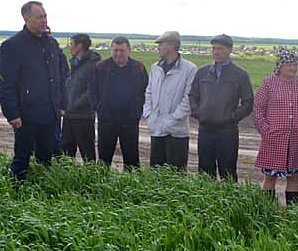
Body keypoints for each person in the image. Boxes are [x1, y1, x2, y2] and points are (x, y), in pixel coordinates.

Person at [0, 1, 67, 180]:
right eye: (39, 17)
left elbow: (59, 75)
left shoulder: (51, 43)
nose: (44, 20)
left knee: (46, 157)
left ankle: (43, 191)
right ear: (26, 18)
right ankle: (16, 190)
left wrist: (61, 104)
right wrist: (12, 113)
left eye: (45, 16)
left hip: (50, 112)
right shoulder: (13, 45)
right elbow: (6, 84)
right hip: (25, 113)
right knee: (22, 158)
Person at [254, 49, 298, 207]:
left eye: (295, 64)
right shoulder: (268, 82)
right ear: (280, 66)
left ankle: (292, 212)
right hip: (274, 139)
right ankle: (267, 210)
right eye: (289, 65)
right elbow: (257, 108)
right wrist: (265, 131)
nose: (293, 68)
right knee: (270, 177)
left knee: (294, 178)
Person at [189, 34, 254, 181]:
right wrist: (198, 113)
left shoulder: (240, 75)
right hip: (205, 130)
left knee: (228, 173)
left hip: (227, 132)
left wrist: (231, 118)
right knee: (205, 173)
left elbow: (248, 102)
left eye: (220, 49)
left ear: (230, 50)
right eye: (214, 48)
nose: (216, 52)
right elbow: (193, 96)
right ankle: (206, 202)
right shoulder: (203, 72)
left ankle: (228, 202)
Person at [90, 36, 148, 169]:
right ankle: (102, 185)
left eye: (122, 50)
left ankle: (132, 186)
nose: (118, 54)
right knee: (104, 158)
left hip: (130, 119)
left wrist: (138, 109)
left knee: (132, 158)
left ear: (129, 51)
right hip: (107, 119)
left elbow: (145, 90)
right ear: (111, 50)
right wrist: (98, 107)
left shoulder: (138, 68)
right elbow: (92, 90)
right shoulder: (101, 67)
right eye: (115, 50)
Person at [143, 31, 197, 170]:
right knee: (156, 171)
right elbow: (149, 92)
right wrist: (148, 114)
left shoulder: (189, 69)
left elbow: (188, 99)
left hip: (177, 132)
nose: (158, 48)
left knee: (176, 173)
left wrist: (172, 119)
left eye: (161, 44)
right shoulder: (156, 68)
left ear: (171, 46)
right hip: (156, 128)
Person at [61, 34, 100, 162]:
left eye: (72, 44)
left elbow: (92, 91)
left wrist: (76, 105)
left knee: (87, 153)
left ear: (80, 46)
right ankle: (65, 178)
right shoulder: (74, 63)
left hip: (83, 116)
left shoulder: (93, 65)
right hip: (69, 116)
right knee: (65, 152)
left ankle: (90, 180)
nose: (70, 47)